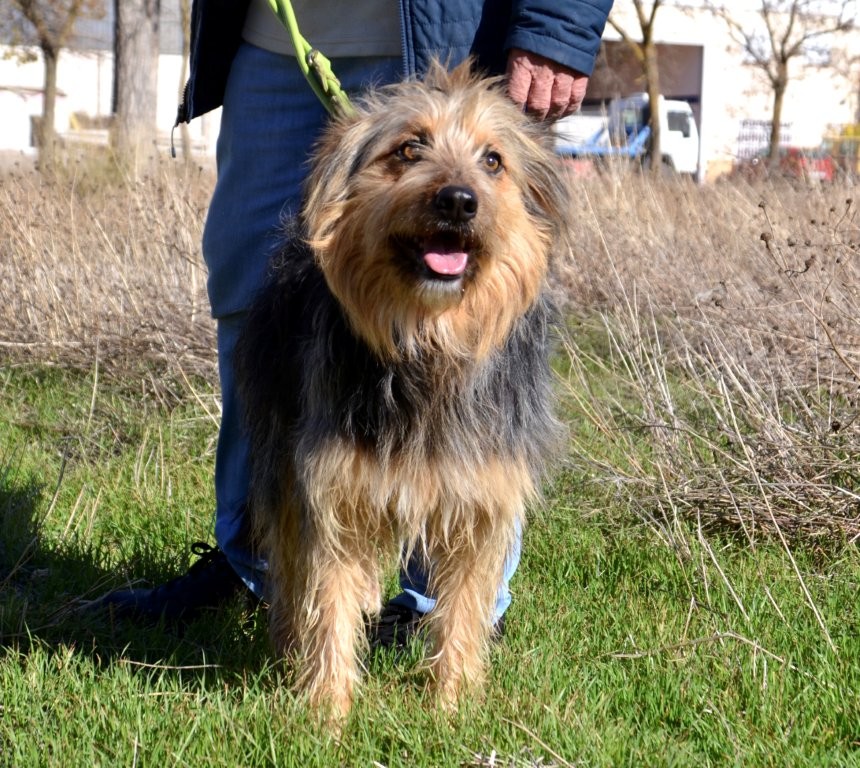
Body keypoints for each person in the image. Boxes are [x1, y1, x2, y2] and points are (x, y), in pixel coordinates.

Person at [101, 0, 612, 646]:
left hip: (449, 22)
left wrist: (557, 23)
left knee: (477, 299)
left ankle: (447, 610)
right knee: (250, 282)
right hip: (275, 32)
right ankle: (260, 558)